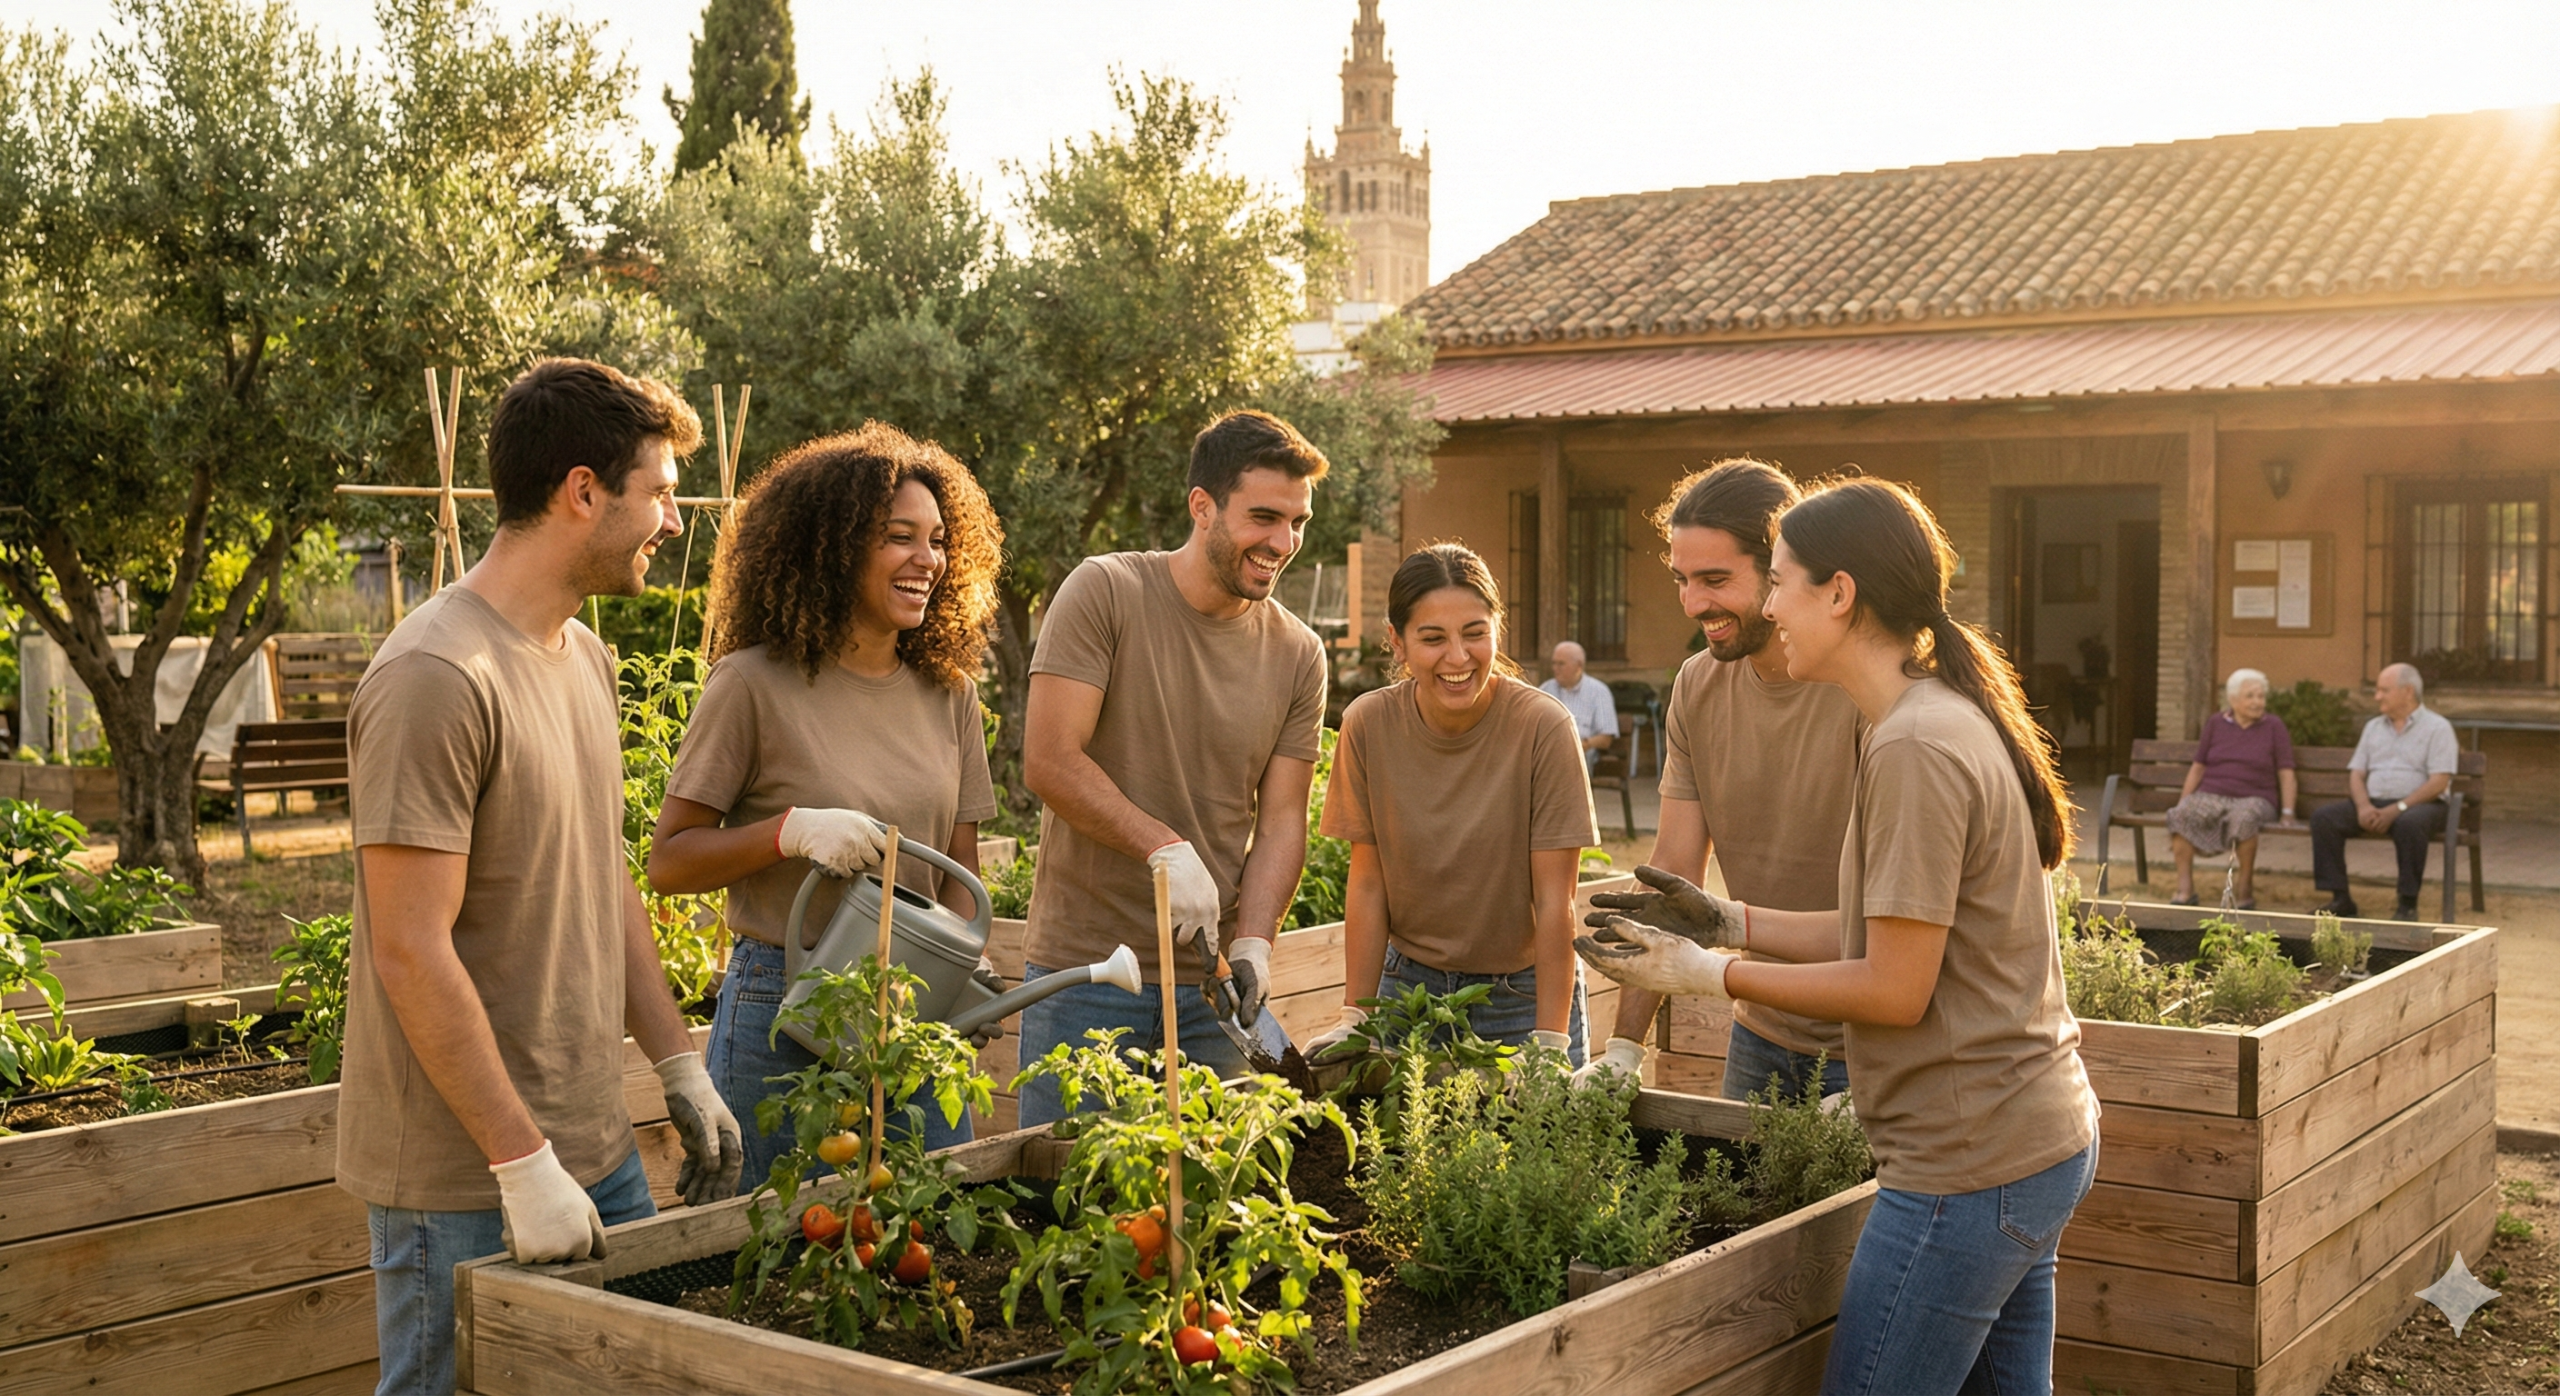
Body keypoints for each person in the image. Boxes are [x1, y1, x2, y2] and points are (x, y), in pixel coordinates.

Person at [1575, 478, 2098, 1394]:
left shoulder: (1911, 748)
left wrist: (1711, 974)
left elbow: (1895, 989)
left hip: (1966, 1164)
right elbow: (1882, 932)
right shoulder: (1925, 717)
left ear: (1840, 594)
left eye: (1776, 582)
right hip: (2029, 1142)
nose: (1769, 608)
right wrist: (1729, 919)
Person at [339, 359, 742, 1396]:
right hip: (462, 1175)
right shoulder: (436, 674)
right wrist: (518, 1161)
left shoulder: (582, 659)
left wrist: (677, 1062)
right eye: (658, 493)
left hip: (595, 1146)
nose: (672, 521)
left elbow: (602, 876)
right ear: (581, 492)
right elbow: (408, 946)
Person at [647, 425, 1005, 1189]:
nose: (928, 561)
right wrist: (788, 833)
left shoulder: (951, 696)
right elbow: (669, 862)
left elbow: (958, 875)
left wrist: (964, 971)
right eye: (898, 538)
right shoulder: (751, 684)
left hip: (909, 1008)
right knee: (765, 1254)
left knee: (925, 1231)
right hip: (784, 1003)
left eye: (939, 541)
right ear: (832, 547)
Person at [1013, 410, 1329, 1126]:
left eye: (1299, 523)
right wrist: (1162, 845)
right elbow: (1050, 761)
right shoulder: (1106, 593)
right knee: (1065, 1211)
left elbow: (1281, 821)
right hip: (1087, 977)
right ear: (1202, 507)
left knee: (1213, 1219)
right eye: (1264, 518)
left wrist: (1254, 940)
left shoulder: (1298, 653)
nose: (1283, 544)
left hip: (1210, 994)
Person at [1573, 460, 1861, 1103]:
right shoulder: (1698, 686)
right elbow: (1674, 875)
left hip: (1876, 1046)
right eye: (1682, 579)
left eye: (1715, 579)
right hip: (1761, 1031)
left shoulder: (1867, 691)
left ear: (1782, 569)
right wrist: (1623, 1049)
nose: (1694, 603)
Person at [1302, 545, 1601, 1064]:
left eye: (1475, 633)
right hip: (1406, 993)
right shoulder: (1368, 725)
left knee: (1538, 1143)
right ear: (1397, 642)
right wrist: (1358, 1015)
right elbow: (1369, 883)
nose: (1458, 657)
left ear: (1496, 631)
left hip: (1523, 997)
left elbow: (1556, 901)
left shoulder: (1542, 728)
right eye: (1432, 638)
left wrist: (1551, 1041)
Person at [2309, 662, 2458, 920]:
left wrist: (2398, 808)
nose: (2377, 696)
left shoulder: (2438, 728)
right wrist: (2364, 805)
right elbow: (2357, 773)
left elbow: (2439, 782)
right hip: (2375, 802)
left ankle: (2407, 904)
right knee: (2324, 818)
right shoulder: (2373, 727)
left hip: (2422, 805)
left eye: (2383, 690)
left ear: (2408, 692)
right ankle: (2340, 899)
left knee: (2410, 824)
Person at [2163, 668, 2298, 909]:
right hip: (2213, 793)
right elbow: (2198, 767)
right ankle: (2185, 890)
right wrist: (2184, 800)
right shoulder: (2216, 723)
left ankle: (2244, 891)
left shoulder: (2274, 726)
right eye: (2250, 696)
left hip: (2256, 797)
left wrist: (2288, 812)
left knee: (2244, 819)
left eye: (2261, 696)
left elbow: (2286, 772)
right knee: (2180, 815)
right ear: (2233, 700)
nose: (2258, 702)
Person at [1538, 640, 1619, 772]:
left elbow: (1606, 738)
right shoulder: (1546, 689)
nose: (1555, 668)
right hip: (1548, 751)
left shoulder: (1598, 691)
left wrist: (1582, 745)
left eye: (1561, 664)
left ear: (1579, 666)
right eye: (1554, 663)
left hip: (1583, 753)